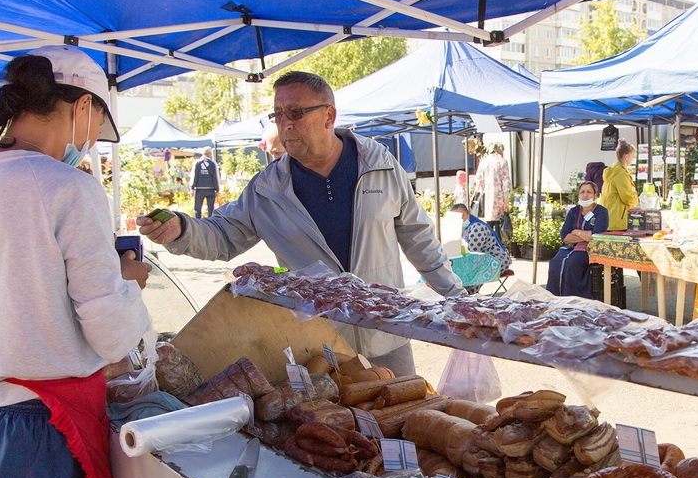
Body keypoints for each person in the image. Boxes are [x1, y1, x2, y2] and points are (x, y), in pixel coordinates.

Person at [138, 71, 464, 374]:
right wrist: (181, 229)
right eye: (278, 115)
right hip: (315, 344)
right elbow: (223, 236)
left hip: (384, 335)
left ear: (328, 116)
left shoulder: (380, 165)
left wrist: (458, 300)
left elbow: (418, 238)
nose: (285, 124)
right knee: (329, 431)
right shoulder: (267, 188)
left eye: (295, 113)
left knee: (402, 424)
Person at [0, 45, 151, 478]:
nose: (94, 141)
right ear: (82, 107)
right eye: (98, 126)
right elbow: (107, 333)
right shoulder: (67, 188)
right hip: (41, 431)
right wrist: (131, 286)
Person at [546, 181, 610, 299]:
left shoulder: (601, 212)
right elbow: (565, 237)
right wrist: (585, 235)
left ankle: (572, 299)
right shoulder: (574, 212)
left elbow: (596, 236)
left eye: (589, 192)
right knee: (555, 262)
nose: (585, 195)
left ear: (595, 195)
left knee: (571, 263)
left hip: (589, 250)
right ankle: (554, 298)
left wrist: (576, 231)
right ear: (578, 195)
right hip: (570, 247)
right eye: (582, 192)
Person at [600, 140, 639, 308]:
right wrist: (637, 198)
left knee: (612, 261)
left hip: (610, 219)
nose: (633, 159)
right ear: (626, 156)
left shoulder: (612, 171)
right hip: (619, 220)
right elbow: (628, 197)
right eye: (632, 156)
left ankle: (612, 296)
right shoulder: (621, 173)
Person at [450, 203, 511, 294]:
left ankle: (468, 296)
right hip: (482, 260)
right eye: (455, 217)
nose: (460, 219)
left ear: (468, 214)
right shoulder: (465, 228)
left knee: (471, 272)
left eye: (462, 216)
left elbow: (472, 253)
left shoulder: (477, 227)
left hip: (496, 260)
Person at [474, 142, 512, 233]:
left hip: (487, 197)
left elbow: (478, 180)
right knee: (499, 225)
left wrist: (482, 192)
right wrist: (506, 200)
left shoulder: (483, 162)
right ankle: (498, 245)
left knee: (489, 224)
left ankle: (489, 244)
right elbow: (506, 182)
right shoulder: (503, 162)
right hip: (499, 197)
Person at [191, 147, 220, 218]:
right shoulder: (213, 163)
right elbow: (216, 177)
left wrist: (192, 187)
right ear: (209, 154)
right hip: (210, 188)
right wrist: (217, 189)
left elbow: (194, 176)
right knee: (211, 209)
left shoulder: (197, 162)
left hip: (199, 188)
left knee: (197, 209)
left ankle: (197, 224)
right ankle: (210, 224)